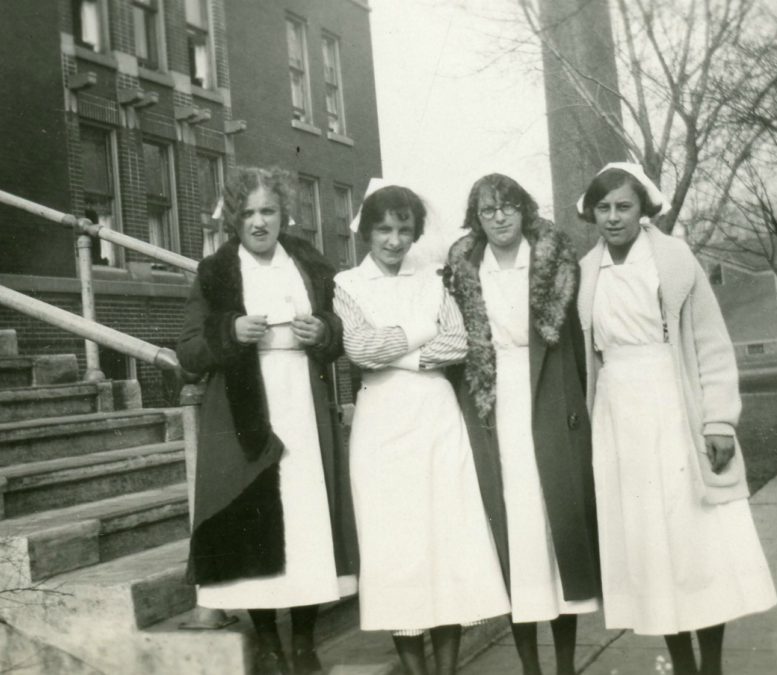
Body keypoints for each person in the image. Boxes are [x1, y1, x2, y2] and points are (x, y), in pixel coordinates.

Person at [575, 162, 777, 675]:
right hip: (618, 417)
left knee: (694, 541)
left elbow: (711, 342)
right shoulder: (586, 271)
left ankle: (711, 665)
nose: (613, 217)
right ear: (592, 213)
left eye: (624, 206)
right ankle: (682, 664)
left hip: (673, 406)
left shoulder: (673, 260)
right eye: (604, 208)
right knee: (650, 546)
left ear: (643, 209)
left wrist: (719, 421)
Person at [177, 167, 357, 675]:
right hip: (244, 412)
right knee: (253, 522)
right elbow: (188, 350)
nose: (258, 222)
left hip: (302, 404)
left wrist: (323, 331)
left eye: (268, 211)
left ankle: (303, 641)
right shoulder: (216, 271)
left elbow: (343, 328)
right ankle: (269, 642)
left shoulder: (309, 264)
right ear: (234, 219)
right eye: (248, 213)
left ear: (283, 215)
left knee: (305, 522)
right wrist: (230, 331)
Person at [333, 183, 510, 675]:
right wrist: (421, 333)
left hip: (436, 420)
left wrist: (392, 349)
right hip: (381, 425)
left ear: (415, 232)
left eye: (404, 230)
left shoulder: (434, 278)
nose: (394, 241)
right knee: (397, 551)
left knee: (444, 544)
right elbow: (359, 349)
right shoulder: (347, 284)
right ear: (367, 232)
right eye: (384, 230)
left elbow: (459, 343)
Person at [445, 174, 600, 675]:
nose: (499, 218)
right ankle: (530, 666)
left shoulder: (553, 261)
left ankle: (565, 665)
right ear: (476, 218)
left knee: (556, 532)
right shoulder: (464, 269)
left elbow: (575, 345)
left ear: (524, 209)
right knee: (513, 532)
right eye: (488, 210)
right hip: (492, 404)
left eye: (508, 207)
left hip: (548, 397)